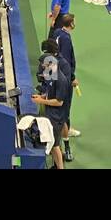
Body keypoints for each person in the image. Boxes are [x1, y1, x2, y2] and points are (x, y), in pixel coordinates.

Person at [31, 38, 70, 170]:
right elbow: (50, 92)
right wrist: (42, 96)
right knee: (52, 143)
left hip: (57, 117)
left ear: (51, 63)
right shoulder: (50, 74)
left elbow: (59, 102)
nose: (42, 66)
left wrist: (41, 101)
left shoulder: (61, 80)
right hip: (49, 113)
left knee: (55, 145)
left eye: (44, 64)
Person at [50, 13, 81, 160]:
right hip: (64, 79)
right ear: (71, 24)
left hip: (56, 76)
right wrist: (72, 78)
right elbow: (67, 62)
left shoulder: (57, 32)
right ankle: (65, 145)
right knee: (64, 110)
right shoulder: (66, 39)